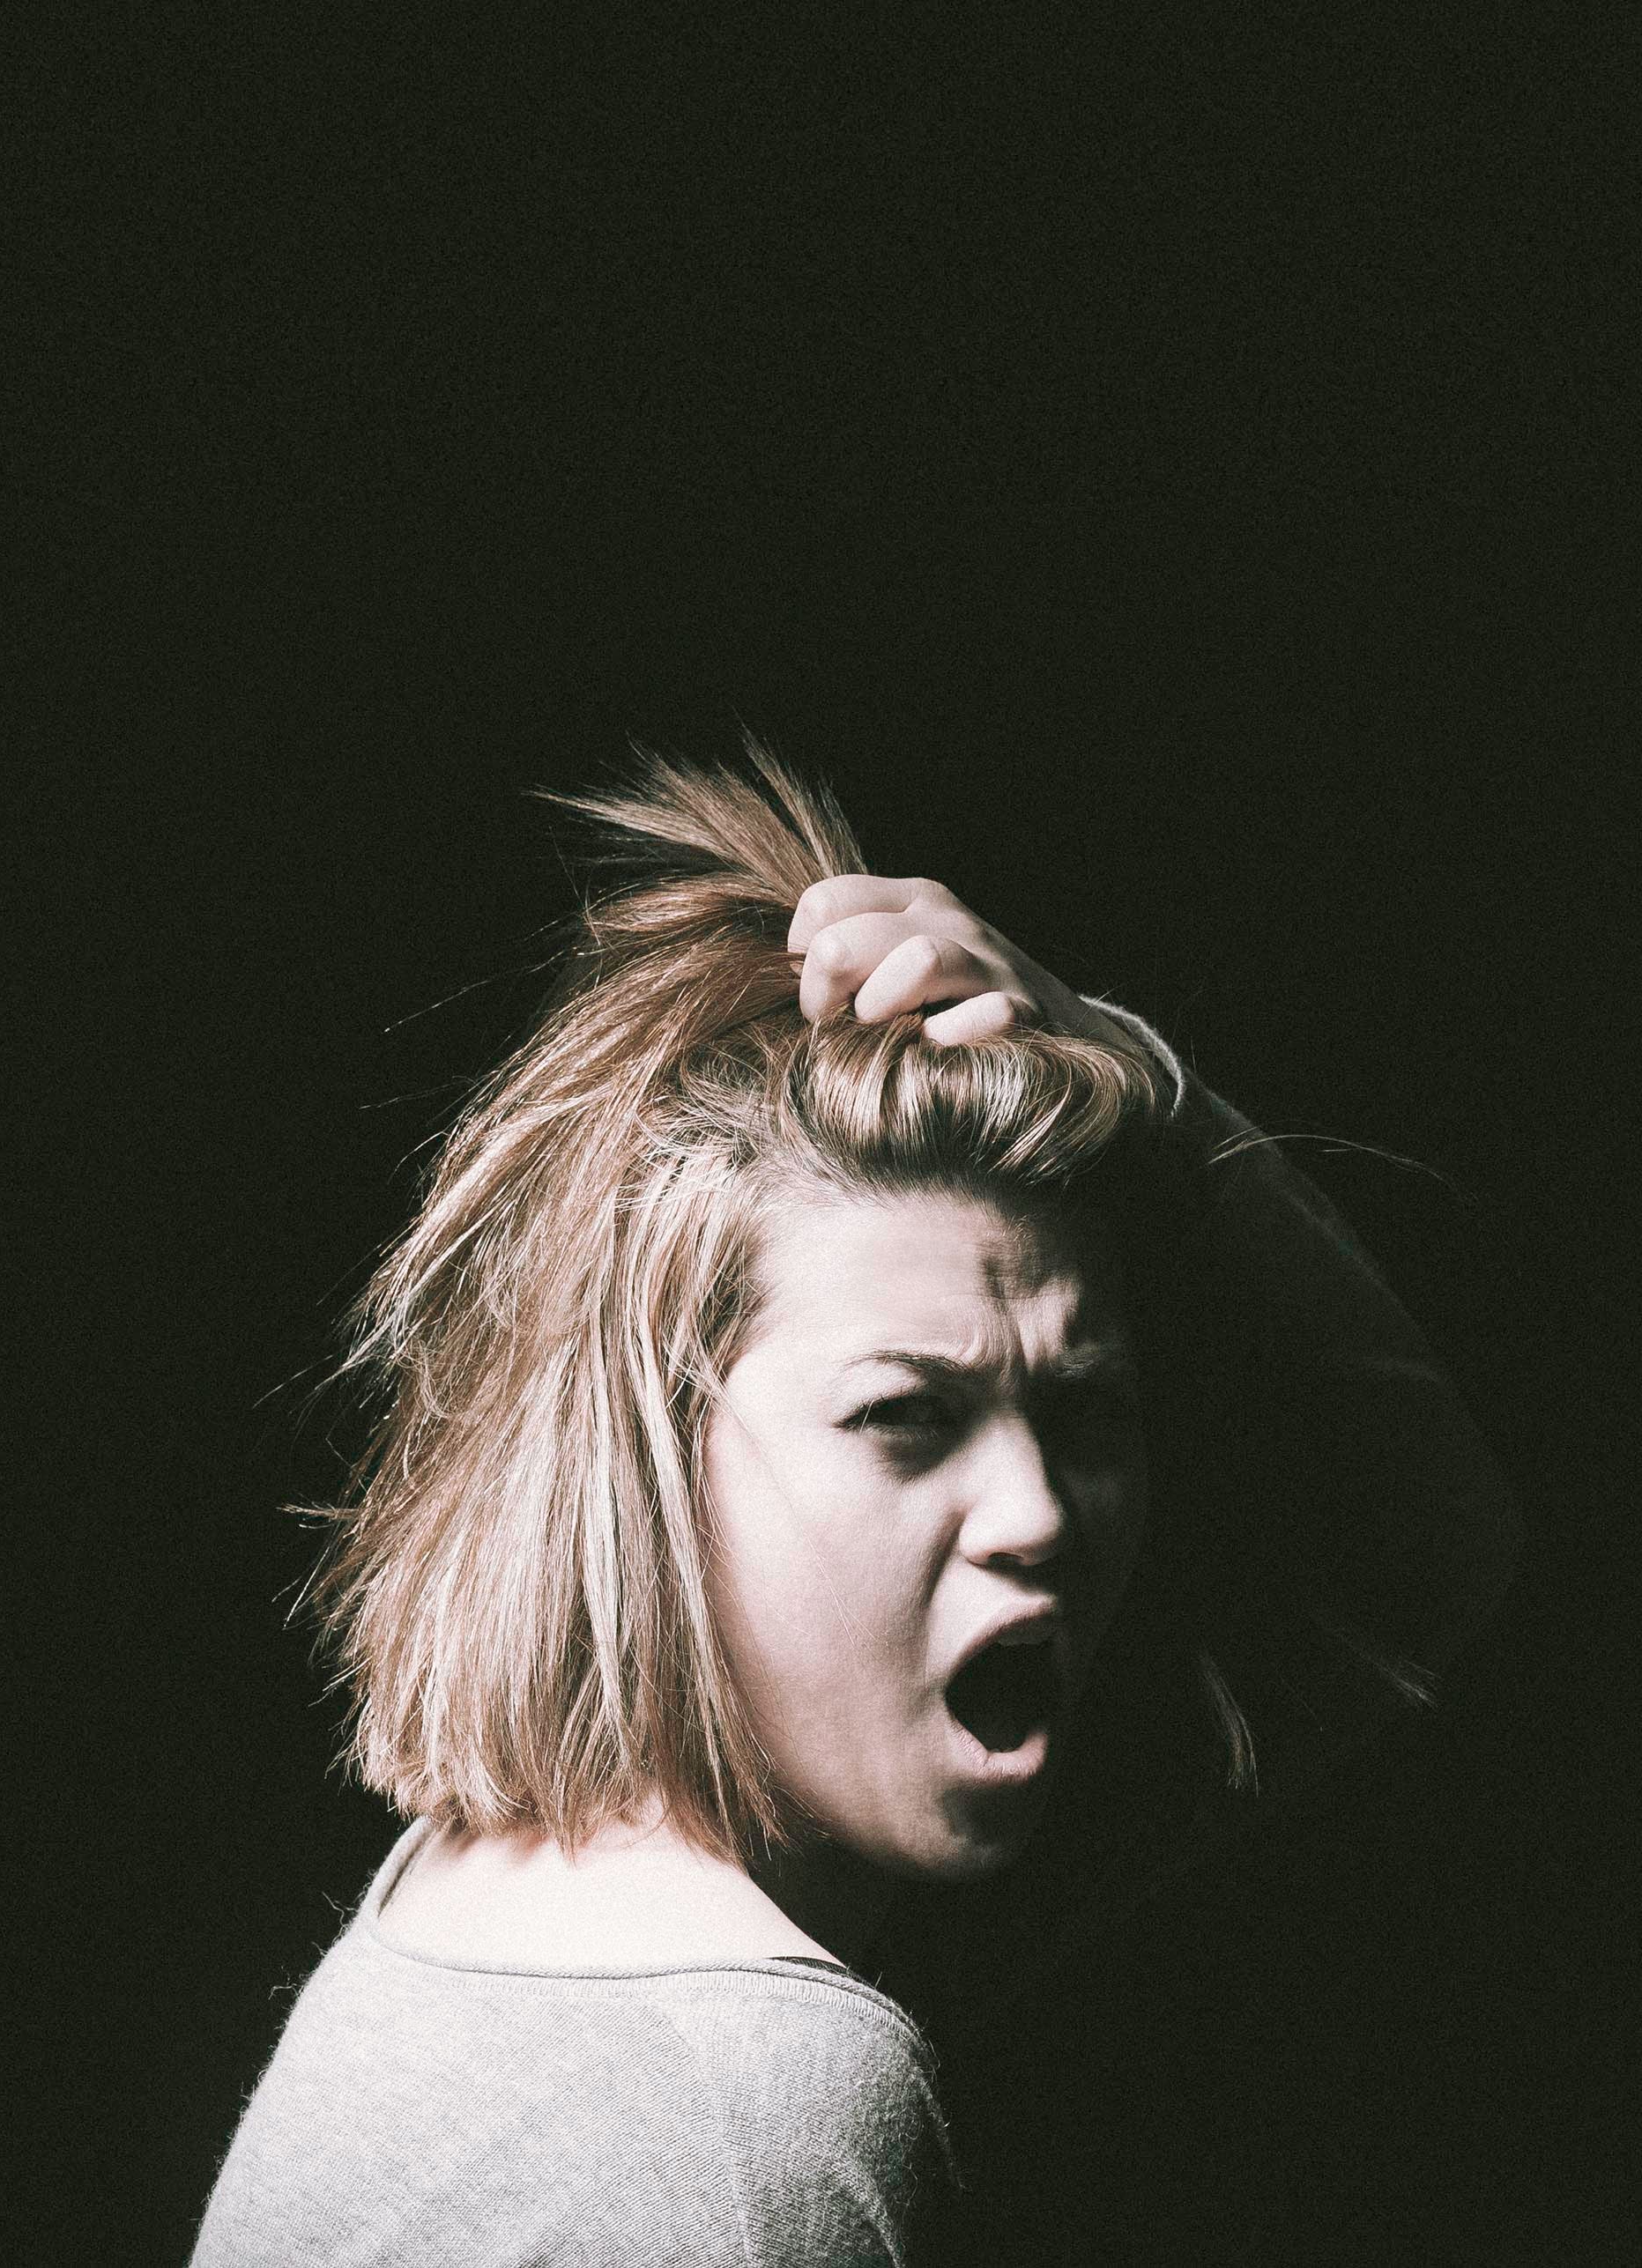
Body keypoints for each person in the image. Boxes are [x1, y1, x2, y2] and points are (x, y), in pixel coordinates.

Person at [194, 745, 1516, 2265]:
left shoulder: (507, 1898)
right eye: (906, 1415)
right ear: (650, 1463)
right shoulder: (755, 2106)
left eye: (1085, 1411)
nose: (1035, 1512)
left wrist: (1121, 1072)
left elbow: (1417, 1554)